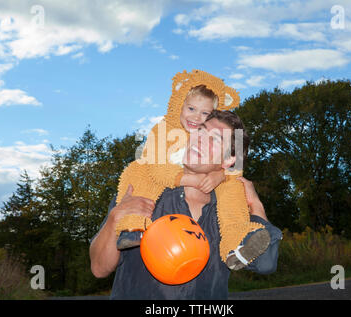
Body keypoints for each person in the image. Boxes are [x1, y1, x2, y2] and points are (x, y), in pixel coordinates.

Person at [90, 110, 283, 299]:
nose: (199, 139)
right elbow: (99, 269)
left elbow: (265, 263)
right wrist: (115, 218)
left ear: (229, 160)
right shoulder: (142, 191)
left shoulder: (230, 214)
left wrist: (255, 205)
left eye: (214, 139)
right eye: (200, 130)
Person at [113, 70, 267, 269]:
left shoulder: (207, 134)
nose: (196, 118)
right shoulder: (164, 130)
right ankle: (132, 225)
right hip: (161, 174)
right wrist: (188, 180)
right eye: (191, 109)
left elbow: (235, 167)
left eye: (205, 113)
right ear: (180, 103)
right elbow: (158, 167)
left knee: (233, 187)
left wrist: (220, 175)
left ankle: (236, 241)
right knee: (140, 171)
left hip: (203, 180)